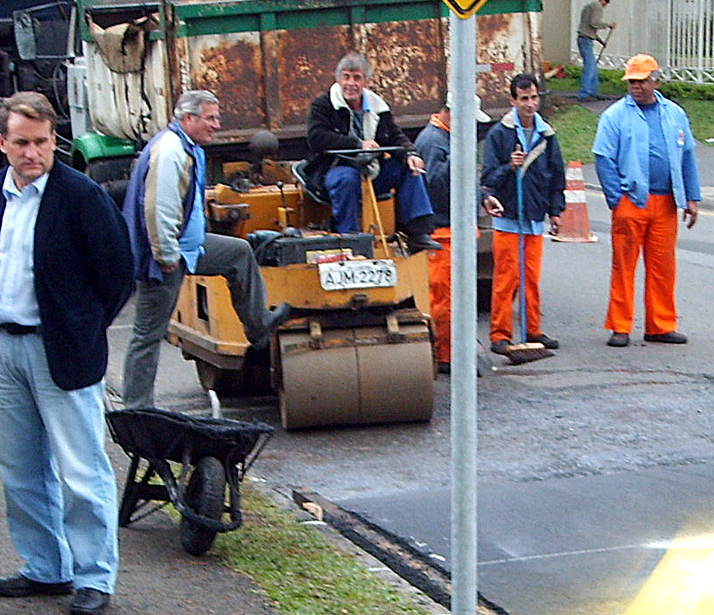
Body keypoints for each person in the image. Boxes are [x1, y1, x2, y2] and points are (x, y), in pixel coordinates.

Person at [0, 92, 134, 615]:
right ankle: (45, 566)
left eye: (42, 142)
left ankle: (94, 576)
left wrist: (80, 326)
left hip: (61, 349)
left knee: (81, 470)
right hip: (7, 345)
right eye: (22, 143)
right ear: (2, 143)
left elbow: (117, 273)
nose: (33, 153)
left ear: (53, 140)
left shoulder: (81, 196)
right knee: (19, 468)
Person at [120, 90, 292, 408]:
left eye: (217, 117)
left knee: (238, 253)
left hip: (190, 247)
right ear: (189, 118)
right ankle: (136, 408)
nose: (217, 124)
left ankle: (258, 326)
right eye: (210, 118)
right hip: (165, 257)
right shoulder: (170, 151)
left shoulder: (190, 147)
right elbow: (158, 208)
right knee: (147, 334)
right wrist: (166, 255)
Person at [592, 54, 701, 348]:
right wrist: (617, 199)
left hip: (666, 203)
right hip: (631, 201)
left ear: (655, 81)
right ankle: (620, 326)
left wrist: (692, 197)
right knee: (624, 266)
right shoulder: (615, 116)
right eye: (632, 82)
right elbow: (603, 158)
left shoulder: (674, 114)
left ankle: (660, 325)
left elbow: (687, 156)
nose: (636, 87)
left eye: (641, 81)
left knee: (663, 267)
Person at [305, 53, 441, 253]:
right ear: (338, 79)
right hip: (334, 167)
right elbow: (316, 137)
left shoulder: (378, 107)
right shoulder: (323, 105)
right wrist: (358, 144)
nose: (351, 83)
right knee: (346, 179)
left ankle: (418, 233)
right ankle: (350, 238)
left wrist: (411, 154)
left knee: (409, 169)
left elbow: (394, 135)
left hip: (371, 168)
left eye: (357, 78)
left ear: (366, 82)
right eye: (346, 77)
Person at [480, 73, 565, 354]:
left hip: (534, 217)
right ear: (513, 100)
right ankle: (500, 334)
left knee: (531, 278)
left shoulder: (546, 134)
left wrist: (555, 211)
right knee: (506, 278)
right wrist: (509, 166)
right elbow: (488, 176)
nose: (530, 104)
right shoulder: (500, 134)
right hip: (508, 217)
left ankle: (533, 330)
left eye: (534, 98)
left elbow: (556, 175)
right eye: (524, 98)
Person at [413, 106, 500, 375]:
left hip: (453, 230)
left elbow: (463, 180)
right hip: (442, 231)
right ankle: (444, 355)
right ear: (453, 113)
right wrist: (458, 155)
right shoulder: (433, 142)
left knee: (454, 298)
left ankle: (452, 352)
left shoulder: (448, 139)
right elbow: (437, 187)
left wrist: (482, 198)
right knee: (444, 298)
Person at [576, 0, 615, 100]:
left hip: (584, 38)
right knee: (590, 67)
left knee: (593, 68)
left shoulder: (589, 6)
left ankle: (593, 91)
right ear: (606, 1)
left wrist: (600, 41)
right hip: (585, 40)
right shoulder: (597, 6)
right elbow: (594, 22)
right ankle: (584, 93)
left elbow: (589, 29)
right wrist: (608, 25)